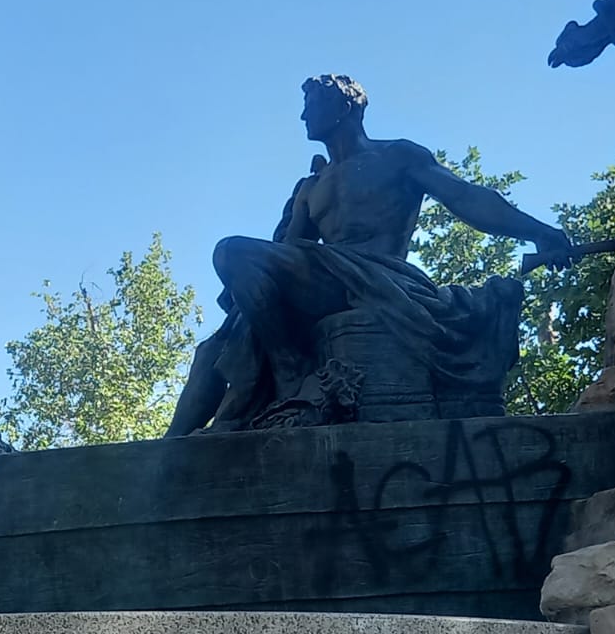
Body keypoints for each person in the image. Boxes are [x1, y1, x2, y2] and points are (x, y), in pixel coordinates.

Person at [171, 76, 573, 434]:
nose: (303, 116)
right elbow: (286, 256)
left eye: (312, 106)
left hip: (379, 277)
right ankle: (170, 452)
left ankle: (290, 368)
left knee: (231, 251)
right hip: (323, 280)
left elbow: (466, 197)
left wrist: (539, 232)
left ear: (344, 107)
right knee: (216, 347)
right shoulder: (311, 187)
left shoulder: (397, 157)